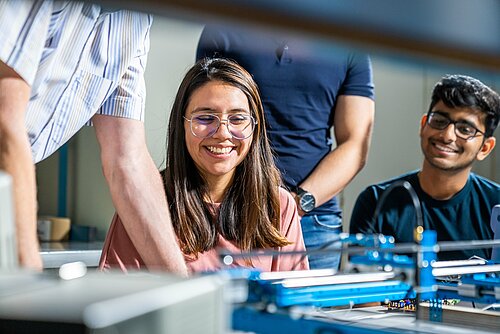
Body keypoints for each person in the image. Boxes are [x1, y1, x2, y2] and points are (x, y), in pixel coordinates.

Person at [0, 0, 187, 275]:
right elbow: (5, 124)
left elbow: (127, 162)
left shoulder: (134, 22)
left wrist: (182, 287)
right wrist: (29, 276)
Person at [99, 58, 309, 274]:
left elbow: (293, 300)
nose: (222, 133)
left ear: (255, 128)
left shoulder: (279, 205)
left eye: (237, 119)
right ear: (182, 124)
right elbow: (118, 297)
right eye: (206, 118)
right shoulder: (143, 202)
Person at [196, 24, 375, 270]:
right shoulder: (225, 25)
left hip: (314, 222)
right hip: (233, 212)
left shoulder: (350, 39)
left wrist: (297, 203)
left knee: (313, 310)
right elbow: (205, 116)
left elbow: (356, 145)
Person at [350, 74, 500, 261]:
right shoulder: (376, 202)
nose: (447, 136)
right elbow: (364, 284)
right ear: (423, 125)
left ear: (485, 148)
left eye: (465, 129)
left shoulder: (496, 205)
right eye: (439, 121)